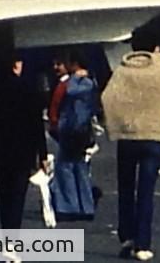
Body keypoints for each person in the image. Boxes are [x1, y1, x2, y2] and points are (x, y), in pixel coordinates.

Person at [102, 28, 160, 261]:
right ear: (156, 47)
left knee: (125, 188)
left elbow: (107, 97)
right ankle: (143, 244)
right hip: (154, 136)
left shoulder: (123, 70)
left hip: (127, 137)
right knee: (146, 191)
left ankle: (127, 235)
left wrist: (117, 124)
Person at [0, 53, 48, 230]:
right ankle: (13, 235)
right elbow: (37, 126)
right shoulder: (28, 90)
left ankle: (7, 231)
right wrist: (43, 155)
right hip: (24, 152)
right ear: (16, 65)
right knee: (18, 196)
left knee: (4, 196)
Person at [50, 51, 97, 222]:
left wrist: (75, 77)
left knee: (65, 167)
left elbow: (69, 92)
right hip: (80, 130)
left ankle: (69, 206)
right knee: (79, 167)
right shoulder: (91, 82)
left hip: (72, 129)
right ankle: (85, 205)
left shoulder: (81, 83)